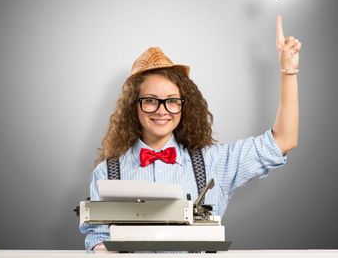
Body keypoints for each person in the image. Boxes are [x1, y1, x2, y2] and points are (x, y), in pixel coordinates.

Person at [79, 15, 301, 251]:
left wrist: (288, 71)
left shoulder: (213, 162)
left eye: (172, 101)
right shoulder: (106, 173)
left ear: (184, 105)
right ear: (133, 106)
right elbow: (98, 238)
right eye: (150, 100)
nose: (162, 111)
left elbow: (284, 139)